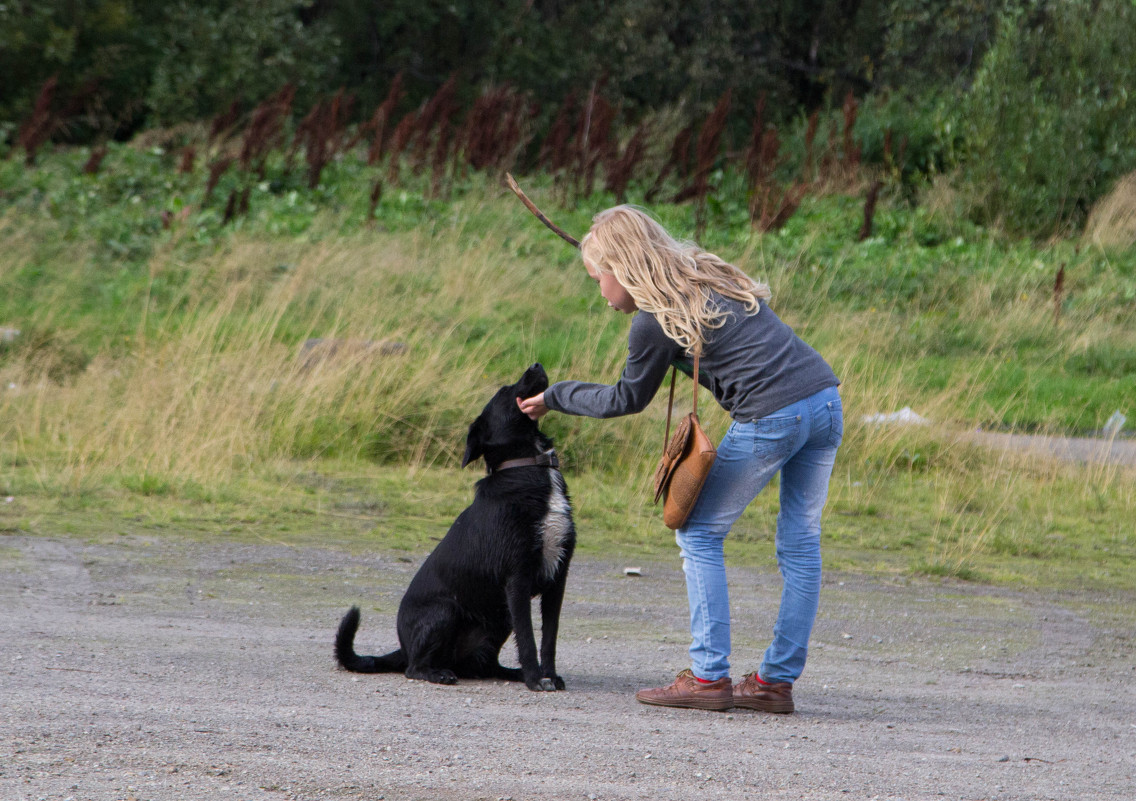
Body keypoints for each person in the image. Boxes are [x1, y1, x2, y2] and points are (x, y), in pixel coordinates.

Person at [517, 205, 842, 713]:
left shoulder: (654, 321)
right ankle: (774, 683)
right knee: (800, 546)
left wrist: (556, 396)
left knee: (697, 532)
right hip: (824, 401)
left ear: (621, 269)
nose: (600, 293)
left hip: (773, 416)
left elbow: (625, 399)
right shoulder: (705, 274)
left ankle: (709, 678)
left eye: (599, 278)